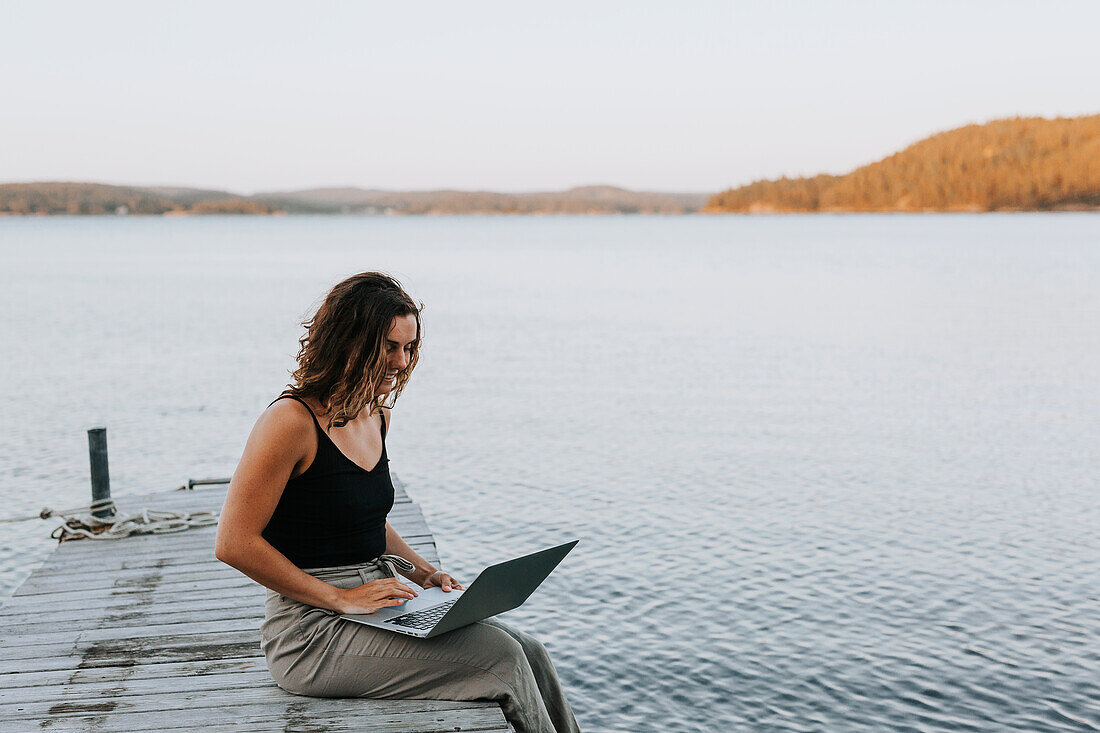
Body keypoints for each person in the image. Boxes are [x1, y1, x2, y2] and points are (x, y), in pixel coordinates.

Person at [214, 272, 580, 733]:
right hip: (309, 630)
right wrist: (339, 598)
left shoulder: (376, 414)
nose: (401, 362)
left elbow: (367, 521)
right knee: (501, 660)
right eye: (389, 347)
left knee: (529, 650)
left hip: (385, 599)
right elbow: (233, 543)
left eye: (409, 348)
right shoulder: (290, 421)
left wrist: (425, 573)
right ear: (348, 340)